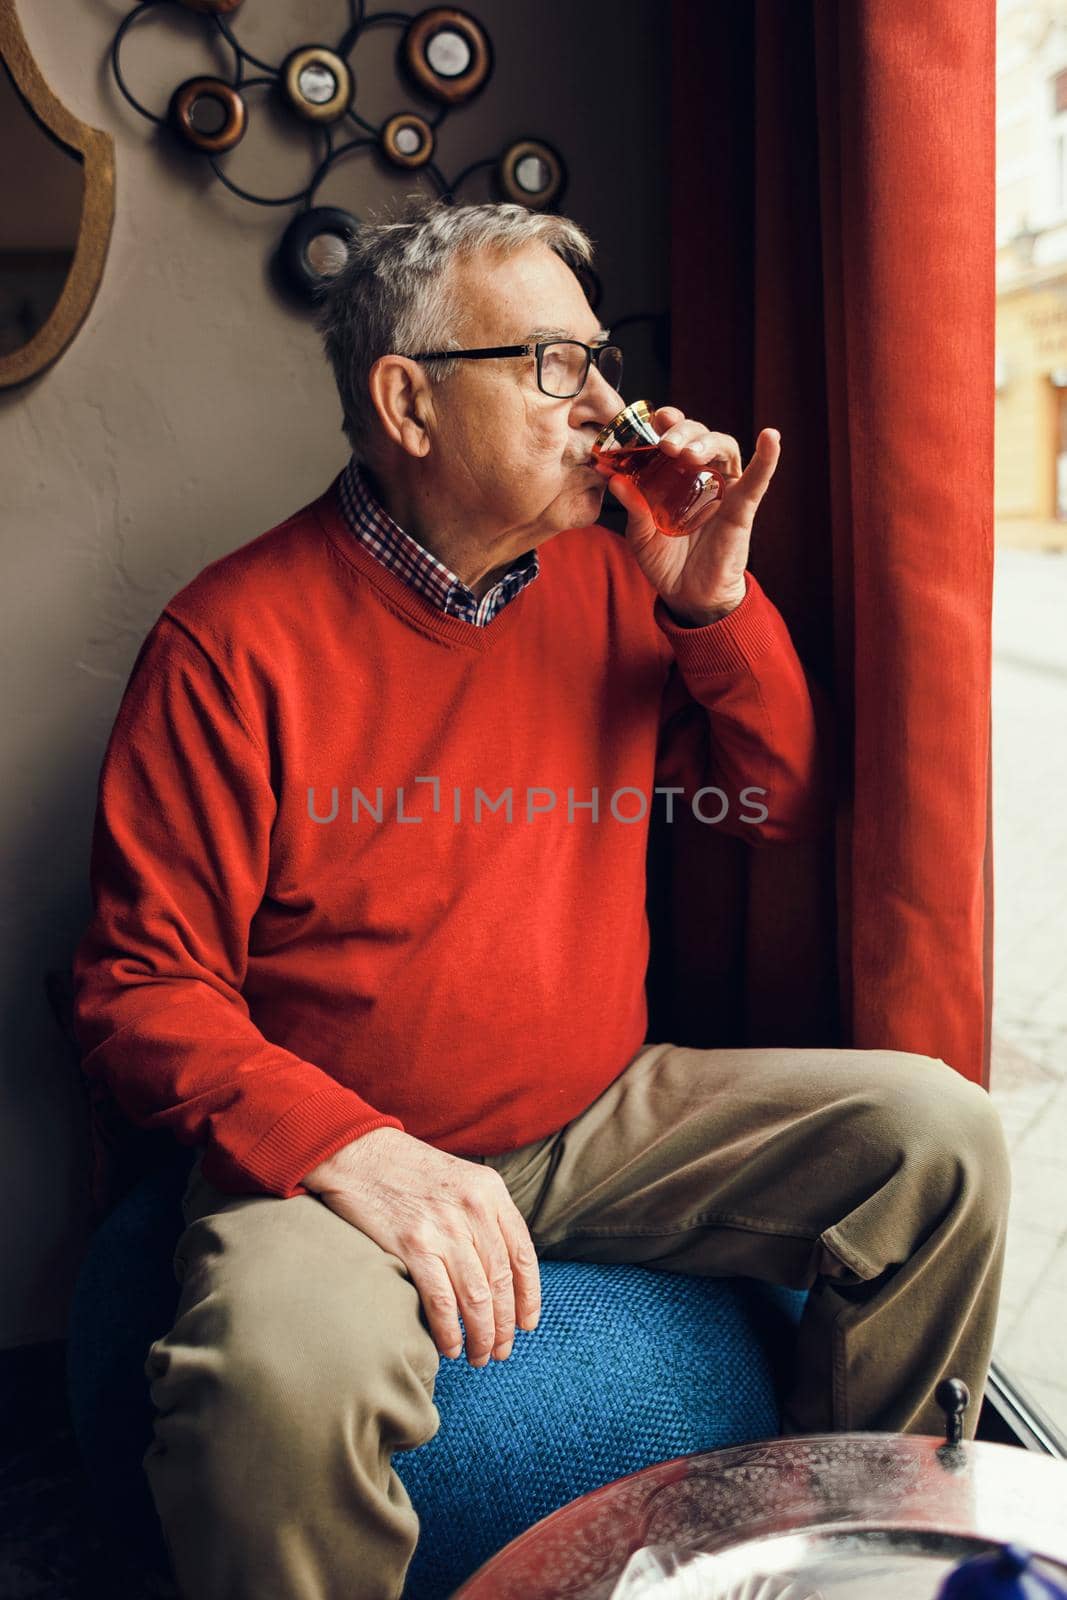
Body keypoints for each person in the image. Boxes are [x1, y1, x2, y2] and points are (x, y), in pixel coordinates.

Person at [71, 198, 1009, 1600]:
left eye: (605, 360)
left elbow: (777, 798)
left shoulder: (614, 574)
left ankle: (842, 1563)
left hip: (593, 1116)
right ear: (409, 403)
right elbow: (135, 990)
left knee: (941, 1138)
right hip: (343, 1168)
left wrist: (710, 602)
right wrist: (356, 1153)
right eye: (556, 366)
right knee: (272, 1383)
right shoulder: (228, 643)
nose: (612, 407)